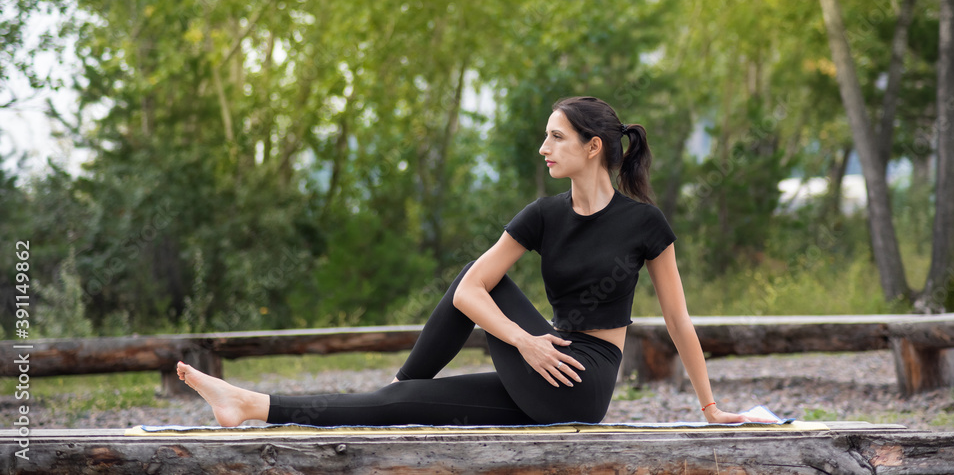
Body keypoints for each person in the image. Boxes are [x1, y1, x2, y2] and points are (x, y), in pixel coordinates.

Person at [176, 96, 757, 426]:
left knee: (473, 283)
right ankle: (250, 404)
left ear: (593, 146)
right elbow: (470, 295)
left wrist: (710, 407)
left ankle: (397, 381)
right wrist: (526, 341)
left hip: (582, 380)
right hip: (545, 361)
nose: (544, 148)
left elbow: (679, 321)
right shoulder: (543, 215)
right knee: (406, 397)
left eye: (556, 138)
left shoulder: (644, 224)